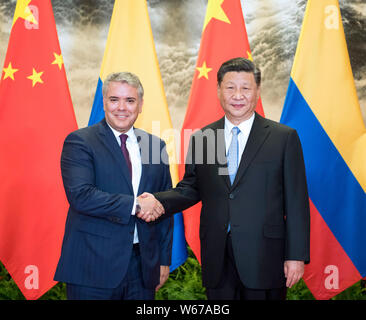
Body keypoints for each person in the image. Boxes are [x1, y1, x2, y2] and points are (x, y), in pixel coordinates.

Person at [139, 57, 310, 300]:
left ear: (257, 91)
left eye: (245, 88)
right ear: (219, 90)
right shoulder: (203, 138)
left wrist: (296, 255)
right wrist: (157, 200)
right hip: (217, 256)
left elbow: (296, 201)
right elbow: (191, 188)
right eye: (230, 87)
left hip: (265, 255)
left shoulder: (283, 138)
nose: (237, 95)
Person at [54, 72, 172, 300]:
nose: (122, 108)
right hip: (92, 267)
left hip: (143, 267)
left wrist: (163, 259)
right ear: (104, 102)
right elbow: (82, 196)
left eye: (130, 100)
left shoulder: (154, 145)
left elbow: (163, 205)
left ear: (140, 105)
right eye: (114, 99)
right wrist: (136, 205)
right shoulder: (80, 142)